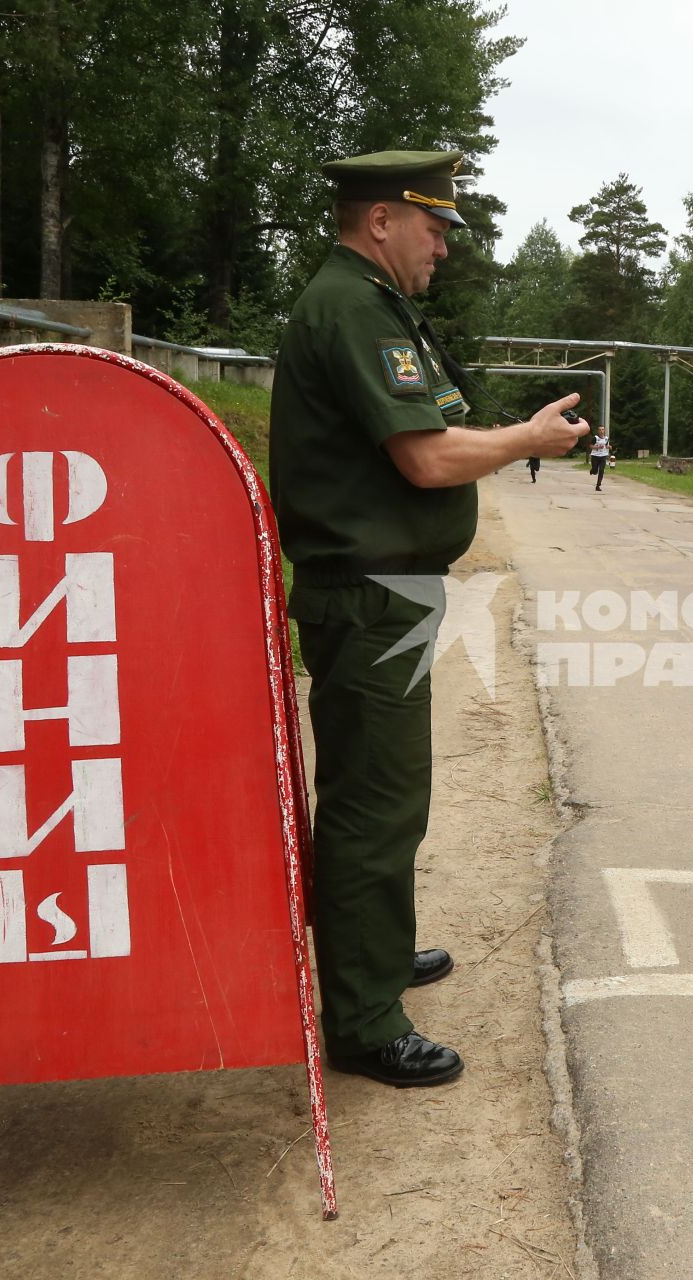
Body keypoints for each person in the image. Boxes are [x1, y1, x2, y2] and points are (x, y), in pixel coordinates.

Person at [270, 150, 587, 1087]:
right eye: (433, 226)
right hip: (371, 592)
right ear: (381, 221)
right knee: (375, 802)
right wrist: (527, 440)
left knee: (388, 796)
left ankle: (373, 952)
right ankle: (363, 1021)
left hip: (389, 590)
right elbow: (425, 457)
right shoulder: (354, 309)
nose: (443, 246)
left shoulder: (369, 302)